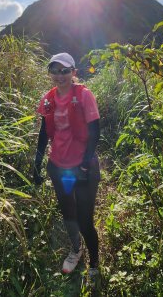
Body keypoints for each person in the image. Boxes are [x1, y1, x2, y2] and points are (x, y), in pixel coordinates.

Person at [33, 52, 101, 282]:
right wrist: (38, 160)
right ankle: (76, 249)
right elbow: (44, 132)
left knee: (84, 219)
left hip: (82, 167)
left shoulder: (84, 95)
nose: (59, 76)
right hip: (59, 167)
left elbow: (95, 132)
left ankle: (94, 261)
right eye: (54, 70)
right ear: (49, 73)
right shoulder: (48, 98)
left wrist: (84, 164)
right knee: (68, 213)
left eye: (64, 71)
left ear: (73, 72)